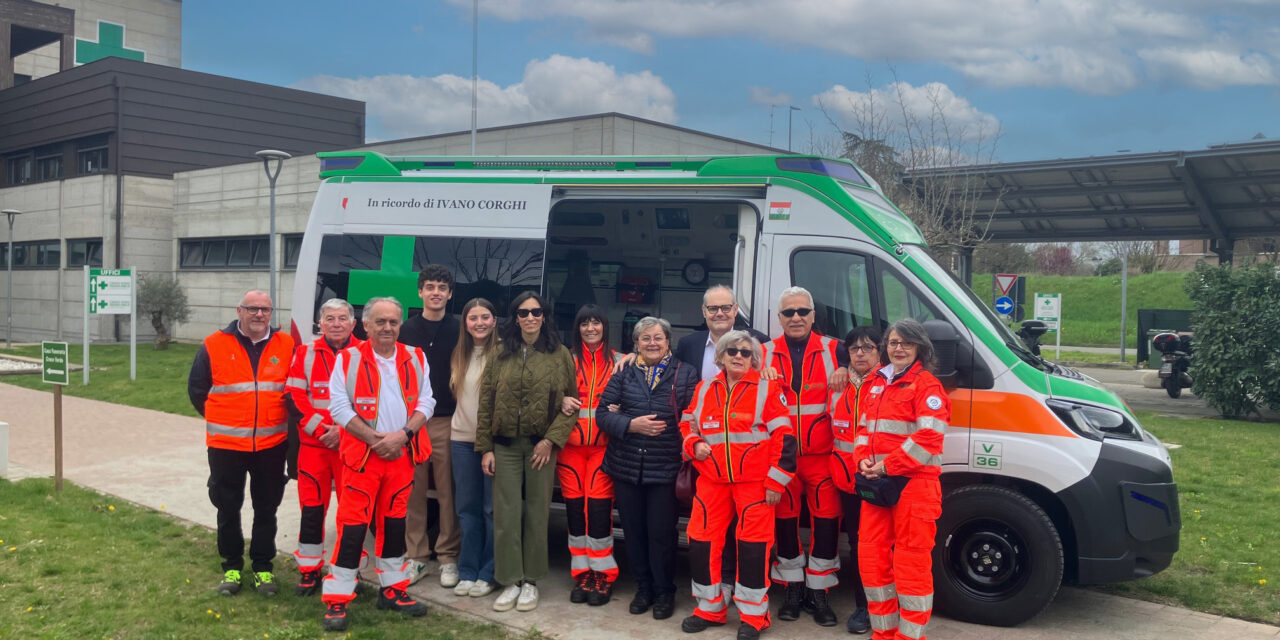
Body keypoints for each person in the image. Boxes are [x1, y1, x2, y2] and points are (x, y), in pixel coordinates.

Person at [321, 297, 435, 631]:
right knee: (353, 527)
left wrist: (402, 436)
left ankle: (393, 590)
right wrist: (375, 440)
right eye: (380, 322)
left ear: (401, 325)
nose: (387, 328)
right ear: (366, 325)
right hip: (363, 459)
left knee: (394, 525)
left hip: (401, 456)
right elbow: (338, 407)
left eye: (393, 322)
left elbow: (427, 401)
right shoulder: (348, 359)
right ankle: (338, 599)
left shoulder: (416, 357)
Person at [679, 330, 797, 640]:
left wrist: (776, 482)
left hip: (755, 485)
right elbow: (687, 423)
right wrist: (693, 444)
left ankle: (754, 616)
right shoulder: (704, 388)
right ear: (720, 356)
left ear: (754, 359)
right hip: (711, 482)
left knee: (753, 548)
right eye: (732, 351)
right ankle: (709, 608)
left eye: (746, 352)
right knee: (701, 542)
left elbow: (785, 438)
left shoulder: (768, 389)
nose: (739, 356)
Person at [187, 290, 295, 597]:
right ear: (239, 311)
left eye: (265, 309)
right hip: (226, 445)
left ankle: (262, 568)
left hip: (272, 445)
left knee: (267, 508)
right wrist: (226, 419)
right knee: (227, 507)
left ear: (271, 313)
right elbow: (197, 390)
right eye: (252, 308)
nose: (259, 314)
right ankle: (232, 567)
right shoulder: (214, 344)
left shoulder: (287, 345)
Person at [476, 292, 578, 613]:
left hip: (540, 447)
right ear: (515, 318)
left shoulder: (560, 354)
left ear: (544, 316)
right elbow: (486, 402)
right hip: (504, 446)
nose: (530, 317)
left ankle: (531, 581)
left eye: (536, 312)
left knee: (537, 514)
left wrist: (551, 441)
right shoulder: (500, 353)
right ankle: (510, 581)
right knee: (505, 515)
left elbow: (572, 405)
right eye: (523, 312)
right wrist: (485, 448)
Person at [596, 316, 699, 621]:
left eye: (658, 338)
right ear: (636, 343)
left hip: (665, 467)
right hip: (626, 466)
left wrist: (624, 414)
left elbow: (691, 415)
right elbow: (603, 414)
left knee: (661, 534)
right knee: (634, 532)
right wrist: (631, 424)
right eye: (646, 338)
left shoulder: (686, 372)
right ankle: (643, 589)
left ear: (668, 341)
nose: (652, 343)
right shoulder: (624, 372)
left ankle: (664, 591)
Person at [855, 319, 949, 640]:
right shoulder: (876, 382)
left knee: (911, 566)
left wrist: (885, 466)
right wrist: (862, 459)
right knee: (872, 561)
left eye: (906, 343)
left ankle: (910, 636)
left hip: (915, 485)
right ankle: (883, 634)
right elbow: (863, 430)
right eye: (894, 342)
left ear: (920, 347)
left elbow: (929, 439)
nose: (899, 348)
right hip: (878, 484)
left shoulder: (927, 386)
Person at [761, 286, 849, 626]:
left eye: (802, 311)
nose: (795, 317)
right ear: (779, 318)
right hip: (782, 459)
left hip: (821, 457)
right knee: (785, 524)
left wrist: (847, 369)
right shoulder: (763, 353)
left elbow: (868, 372)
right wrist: (759, 374)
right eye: (788, 312)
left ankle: (819, 591)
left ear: (813, 316)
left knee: (826, 524)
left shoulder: (837, 349)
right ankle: (792, 588)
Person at [285, 298, 361, 596]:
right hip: (313, 448)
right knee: (312, 510)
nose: (336, 324)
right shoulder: (304, 353)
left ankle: (347, 571)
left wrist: (343, 431)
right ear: (320, 323)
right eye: (330, 318)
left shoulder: (364, 354)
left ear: (353, 323)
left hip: (351, 447)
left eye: (342, 318)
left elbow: (371, 400)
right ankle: (309, 570)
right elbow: (293, 396)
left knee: (352, 513)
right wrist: (321, 430)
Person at [398, 264, 463, 588]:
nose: (436, 292)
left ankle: (448, 557)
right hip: (412, 423)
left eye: (442, 287)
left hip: (448, 421)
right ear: (420, 292)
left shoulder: (461, 329)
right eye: (430, 287)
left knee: (449, 493)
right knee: (415, 493)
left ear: (450, 295)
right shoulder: (405, 330)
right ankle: (417, 556)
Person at [559, 304, 622, 606]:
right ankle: (582, 573)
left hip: (603, 449)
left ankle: (603, 574)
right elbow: (547, 394)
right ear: (578, 328)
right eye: (584, 323)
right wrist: (560, 401)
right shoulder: (565, 360)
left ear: (605, 326)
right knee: (575, 511)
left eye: (596, 323)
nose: (591, 328)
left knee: (598, 510)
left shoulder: (621, 361)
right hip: (569, 449)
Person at [828, 326, 884, 635]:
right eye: (854, 349)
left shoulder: (889, 383)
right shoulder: (839, 384)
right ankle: (864, 606)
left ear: (879, 351)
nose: (860, 353)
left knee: (879, 545)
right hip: (846, 481)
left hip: (878, 479)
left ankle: (879, 607)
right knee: (857, 544)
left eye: (867, 348)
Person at [447, 298, 500, 598]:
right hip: (461, 441)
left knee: (492, 510)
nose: (479, 323)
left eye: (485, 317)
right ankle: (467, 571)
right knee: (467, 510)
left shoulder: (504, 353)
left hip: (492, 444)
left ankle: (488, 572)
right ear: (465, 323)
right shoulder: (459, 353)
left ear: (494, 321)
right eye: (473, 318)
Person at [674, 285, 769, 381]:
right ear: (704, 311)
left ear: (735, 310)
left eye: (726, 308)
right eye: (713, 308)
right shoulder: (687, 345)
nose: (719, 313)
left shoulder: (759, 341)